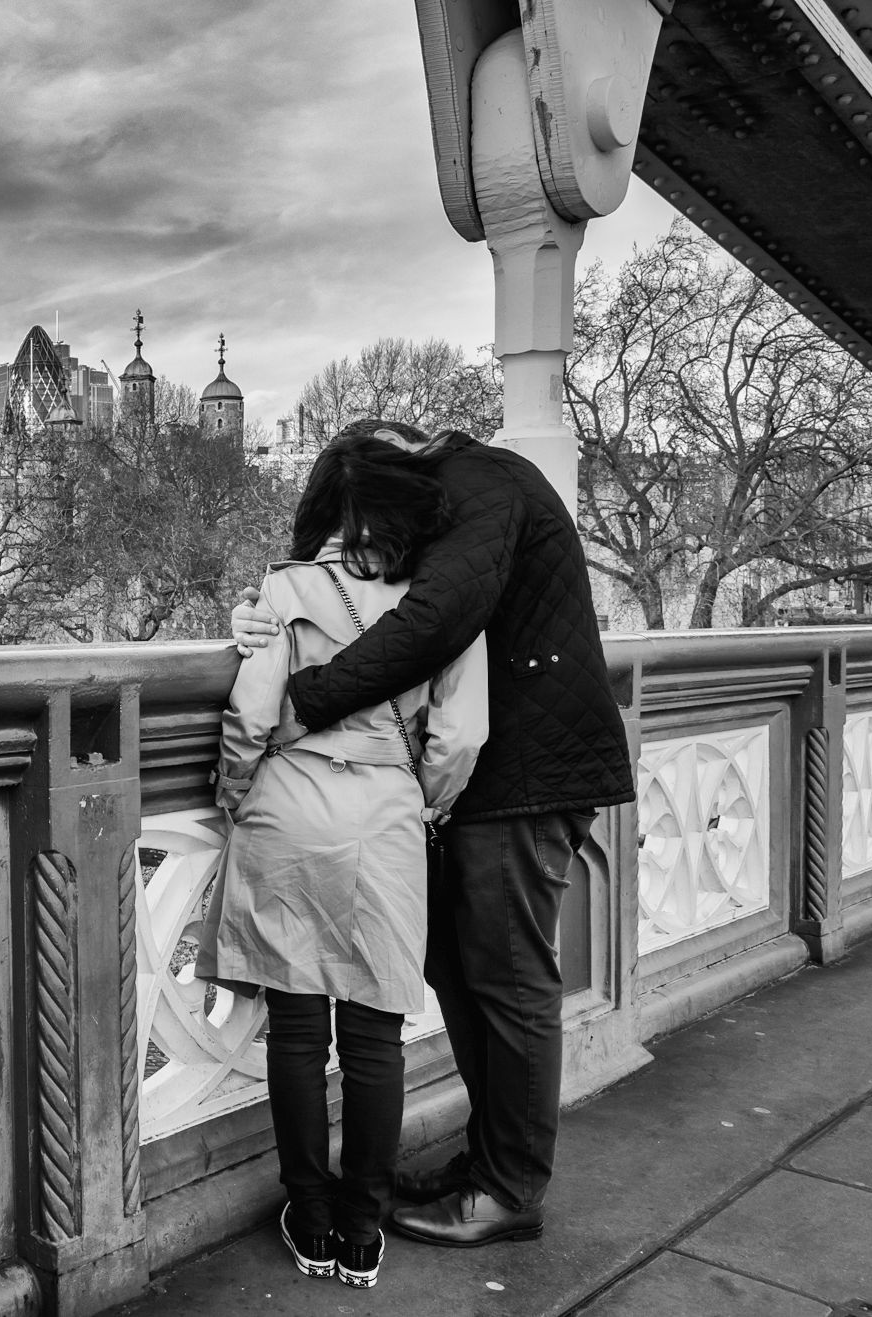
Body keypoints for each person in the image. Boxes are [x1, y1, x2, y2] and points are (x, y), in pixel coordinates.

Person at [232, 418, 636, 1249]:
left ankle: (510, 1189)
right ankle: (489, 1164)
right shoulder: (460, 497)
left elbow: (435, 618)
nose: (370, 538)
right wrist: (260, 609)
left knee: (513, 982)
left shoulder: (481, 485)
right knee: (461, 968)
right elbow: (393, 600)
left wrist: (305, 697)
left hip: (530, 775)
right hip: (491, 779)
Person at [201, 433, 488, 1289]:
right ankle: (364, 1226)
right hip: (387, 820)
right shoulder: (444, 603)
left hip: (287, 810)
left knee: (296, 1030)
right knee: (374, 1036)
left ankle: (310, 1211)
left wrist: (232, 791)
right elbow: (461, 734)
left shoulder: (287, 591)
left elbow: (254, 715)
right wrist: (422, 796)